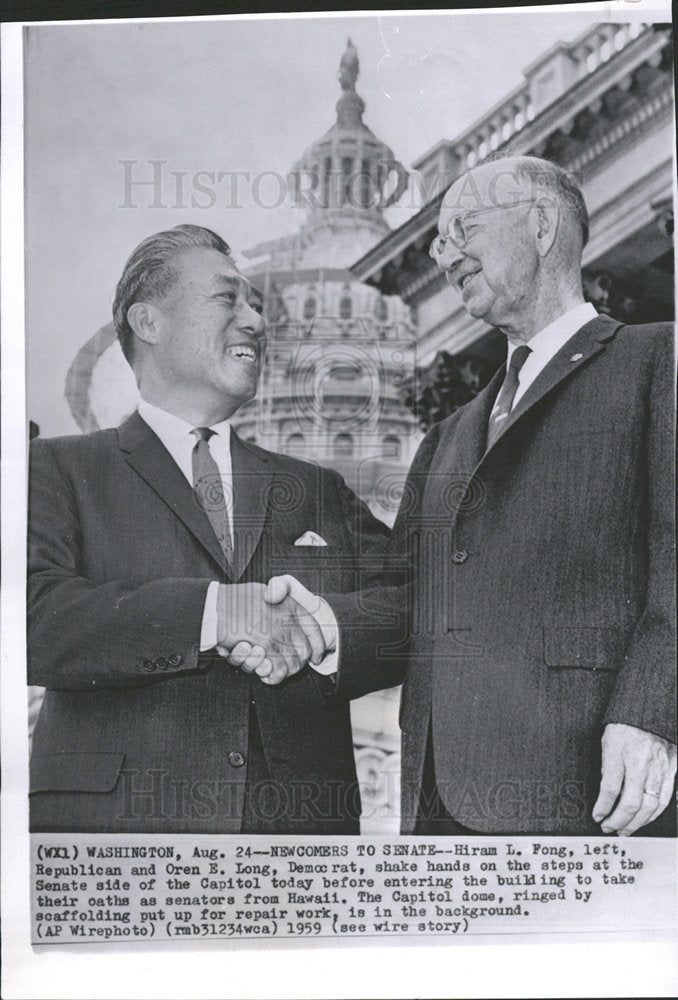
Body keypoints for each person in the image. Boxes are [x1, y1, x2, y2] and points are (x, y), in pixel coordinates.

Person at [262, 154, 676, 836]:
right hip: (440, 800)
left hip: (597, 791)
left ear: (542, 225)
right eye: (437, 239)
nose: (444, 253)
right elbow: (411, 601)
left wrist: (654, 714)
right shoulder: (447, 436)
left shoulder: (660, 359)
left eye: (465, 228)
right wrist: (323, 626)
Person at [28, 224, 390, 834]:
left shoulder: (317, 489)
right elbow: (28, 619)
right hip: (114, 840)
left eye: (256, 304)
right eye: (228, 298)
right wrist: (217, 612)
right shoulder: (54, 468)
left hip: (299, 845)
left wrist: (324, 628)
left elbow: (419, 605)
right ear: (148, 322)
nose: (256, 321)